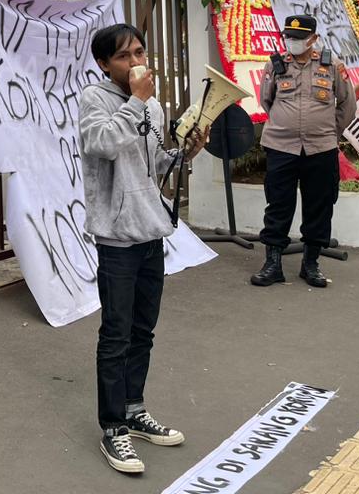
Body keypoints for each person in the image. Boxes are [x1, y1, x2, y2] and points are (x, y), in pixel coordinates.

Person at [79, 23, 207, 475]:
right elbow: (101, 144)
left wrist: (185, 153)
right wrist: (136, 101)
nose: (136, 62)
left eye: (139, 52)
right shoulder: (95, 99)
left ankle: (134, 409)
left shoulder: (151, 104)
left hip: (151, 231)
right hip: (117, 237)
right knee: (115, 334)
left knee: (143, 330)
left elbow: (153, 166)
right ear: (103, 64)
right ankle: (113, 426)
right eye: (124, 56)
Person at [251, 14, 357, 289]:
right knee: (278, 205)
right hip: (281, 147)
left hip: (321, 148)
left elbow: (347, 104)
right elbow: (267, 100)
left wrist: (327, 131)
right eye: (288, 37)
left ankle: (311, 264)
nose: (292, 42)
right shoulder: (275, 65)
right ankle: (273, 264)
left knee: (319, 205)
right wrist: (286, 124)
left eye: (298, 38)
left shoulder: (332, 65)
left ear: (313, 39)